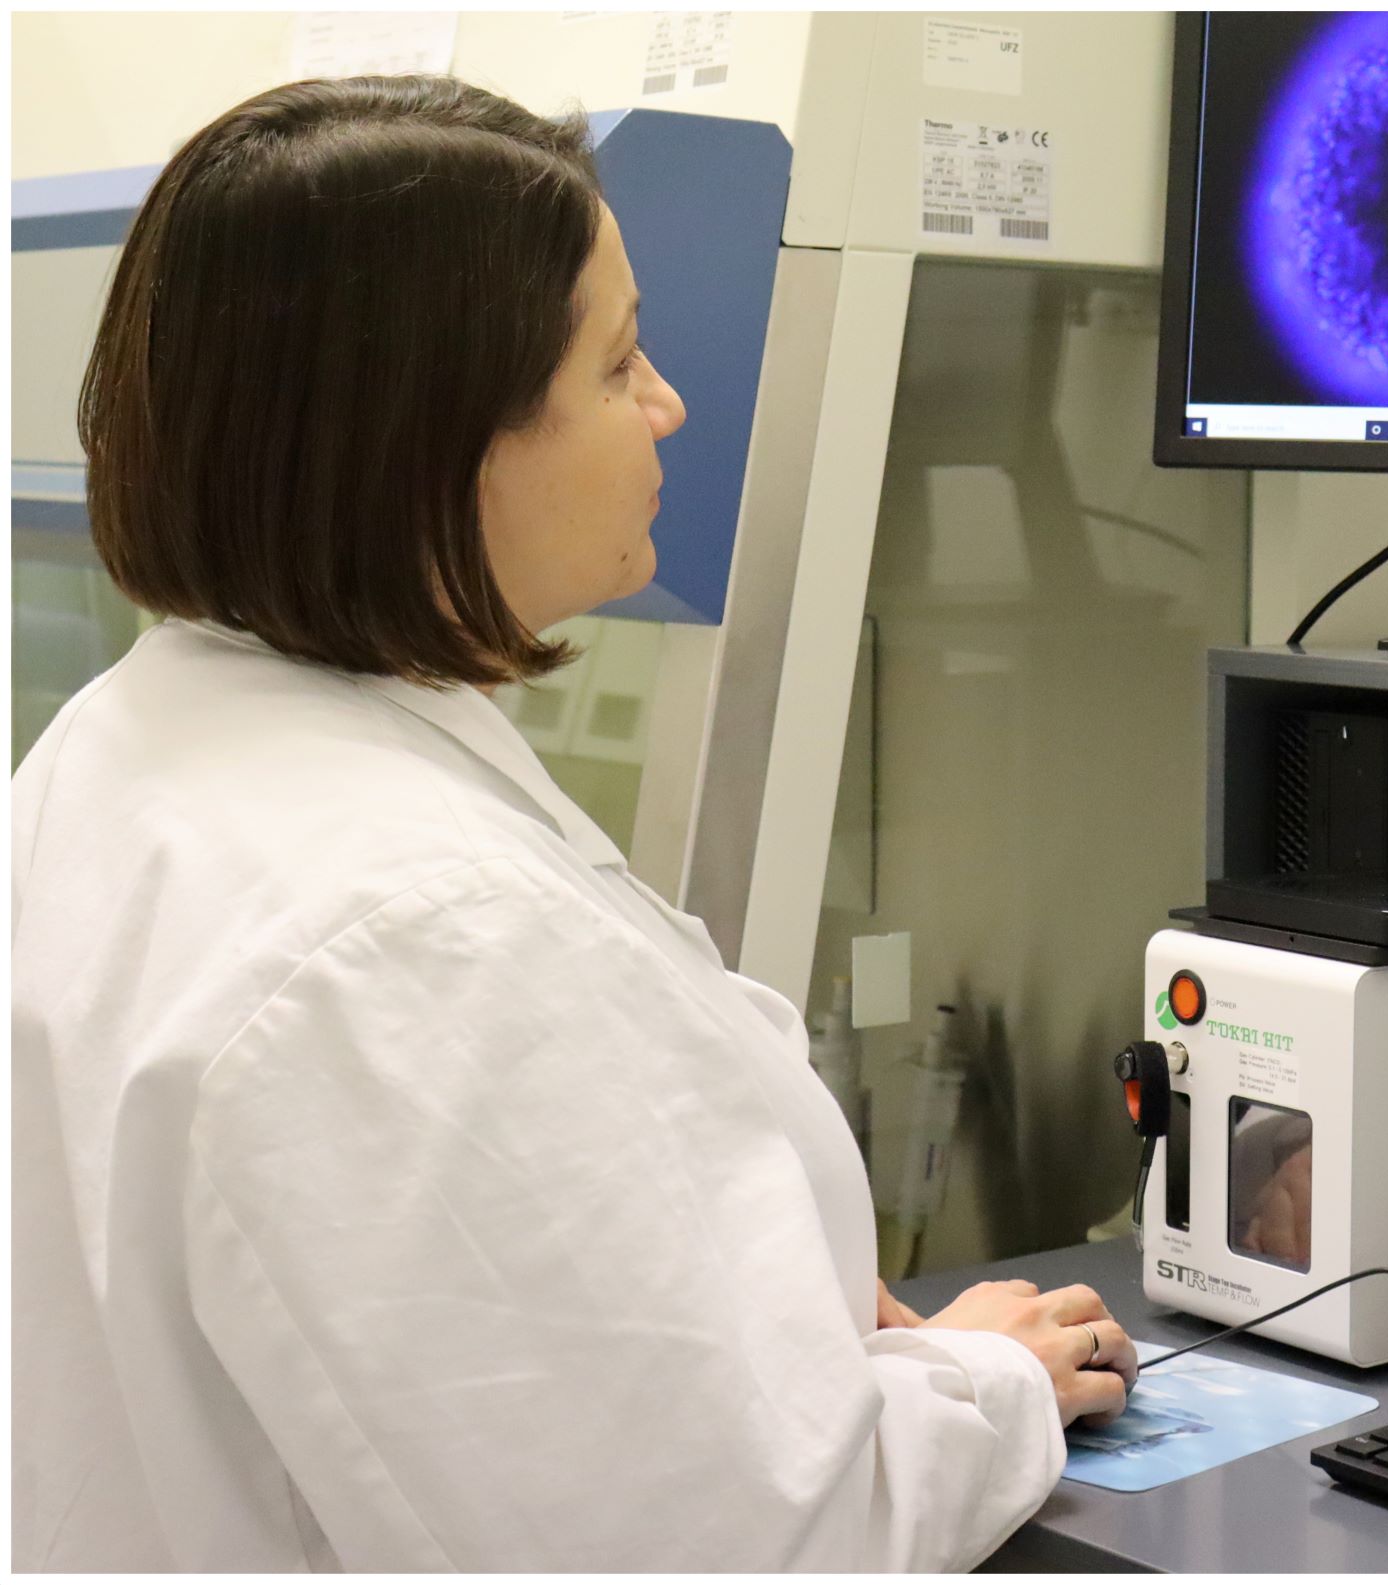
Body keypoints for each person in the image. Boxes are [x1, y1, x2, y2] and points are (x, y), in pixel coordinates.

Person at [12, 76, 1136, 1572]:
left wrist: (753, 1306)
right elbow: (731, 1546)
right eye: (617, 362)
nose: (667, 403)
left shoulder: (128, 741)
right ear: (433, 441)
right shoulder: (423, 934)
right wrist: (980, 1381)